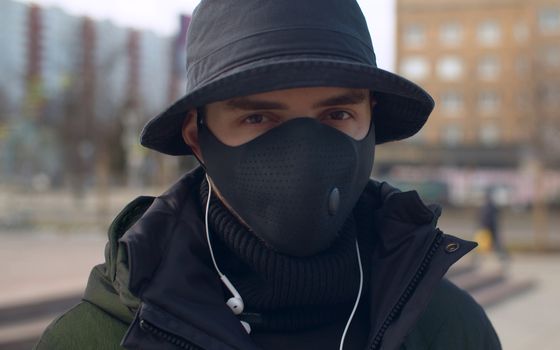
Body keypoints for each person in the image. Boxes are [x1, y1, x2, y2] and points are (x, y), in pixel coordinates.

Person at [36, 0, 501, 349]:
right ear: (197, 137)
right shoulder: (99, 338)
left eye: (337, 114)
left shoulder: (447, 328)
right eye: (258, 118)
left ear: (371, 123)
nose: (303, 155)